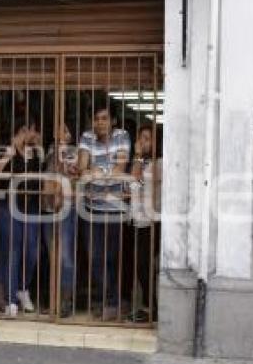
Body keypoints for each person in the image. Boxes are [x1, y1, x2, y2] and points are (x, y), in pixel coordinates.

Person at [77, 102, 131, 320]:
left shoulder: (122, 136)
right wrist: (97, 173)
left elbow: (120, 169)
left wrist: (98, 173)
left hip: (116, 208)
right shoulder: (87, 137)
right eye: (97, 118)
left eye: (104, 118)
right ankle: (107, 301)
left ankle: (114, 302)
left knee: (114, 258)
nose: (100, 123)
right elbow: (82, 168)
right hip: (92, 208)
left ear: (113, 121)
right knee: (95, 257)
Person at [0, 118, 45, 318]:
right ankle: (11, 300)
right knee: (12, 252)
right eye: (23, 129)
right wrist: (9, 152)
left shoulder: (36, 152)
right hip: (8, 206)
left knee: (32, 250)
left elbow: (43, 174)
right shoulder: (6, 150)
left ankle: (23, 289)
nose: (28, 134)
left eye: (30, 129)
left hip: (31, 206)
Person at [41, 123, 80, 317]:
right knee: (53, 257)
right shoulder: (47, 150)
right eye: (57, 129)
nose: (60, 133)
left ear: (70, 134)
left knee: (65, 257)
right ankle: (53, 302)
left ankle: (66, 301)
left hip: (65, 208)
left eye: (64, 129)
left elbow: (72, 174)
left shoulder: (73, 151)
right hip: (48, 209)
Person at [127, 124, 162, 322]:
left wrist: (139, 158)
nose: (143, 142)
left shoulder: (159, 162)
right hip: (139, 219)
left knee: (145, 265)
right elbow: (133, 181)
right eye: (141, 138)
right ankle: (148, 306)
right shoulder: (141, 161)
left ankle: (152, 308)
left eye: (147, 138)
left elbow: (148, 183)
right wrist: (138, 157)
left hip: (153, 220)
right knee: (140, 265)